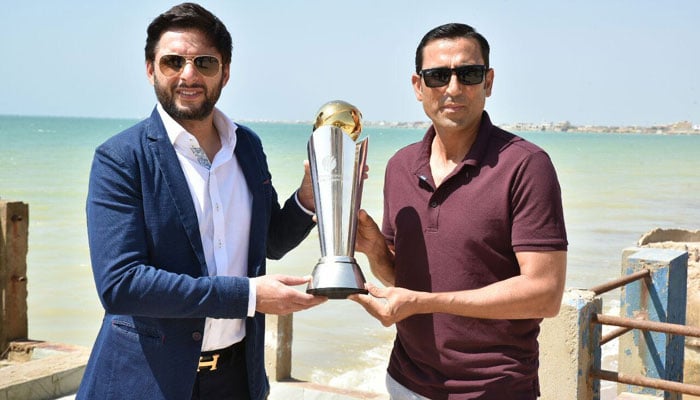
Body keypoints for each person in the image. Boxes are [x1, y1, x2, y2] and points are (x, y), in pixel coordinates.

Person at [77, 3, 326, 399]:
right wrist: (250, 296)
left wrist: (309, 198)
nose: (188, 75)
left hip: (236, 378)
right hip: (146, 381)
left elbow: (268, 243)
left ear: (225, 72)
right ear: (150, 69)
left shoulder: (247, 145)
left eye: (204, 63)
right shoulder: (120, 158)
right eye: (173, 61)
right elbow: (120, 285)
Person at [350, 23, 568, 399]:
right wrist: (373, 251)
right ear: (418, 87)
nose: (453, 88)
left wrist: (425, 303)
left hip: (494, 389)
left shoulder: (526, 165)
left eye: (468, 74)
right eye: (438, 76)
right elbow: (402, 278)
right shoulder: (401, 167)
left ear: (489, 82)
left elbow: (544, 294)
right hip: (404, 381)